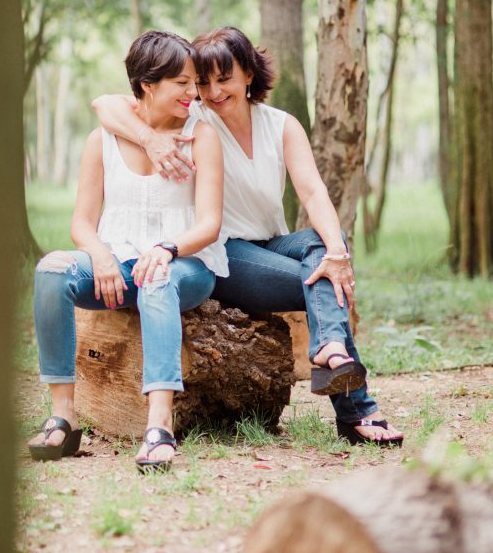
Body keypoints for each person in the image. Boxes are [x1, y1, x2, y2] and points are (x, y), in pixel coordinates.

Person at [92, 26, 404, 446]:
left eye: (225, 79)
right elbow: (105, 104)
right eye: (203, 82)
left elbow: (312, 190)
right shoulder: (195, 119)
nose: (213, 91)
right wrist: (150, 139)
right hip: (223, 252)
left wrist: (336, 252)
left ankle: (330, 346)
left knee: (328, 246)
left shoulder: (281, 125)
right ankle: (357, 411)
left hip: (272, 243)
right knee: (321, 285)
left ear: (249, 75)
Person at [29, 30, 227, 472]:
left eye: (194, 82)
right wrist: (99, 254)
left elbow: (210, 224)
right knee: (51, 270)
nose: (194, 93)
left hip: (185, 264)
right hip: (117, 260)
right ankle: (63, 415)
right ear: (146, 84)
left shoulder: (202, 137)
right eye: (182, 82)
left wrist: (168, 249)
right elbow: (82, 221)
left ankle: (159, 425)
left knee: (156, 275)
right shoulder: (101, 141)